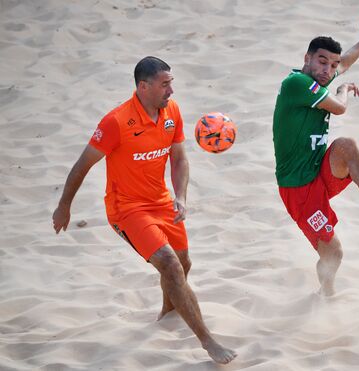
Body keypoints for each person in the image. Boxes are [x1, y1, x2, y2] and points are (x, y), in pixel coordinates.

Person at [52, 56, 237, 364]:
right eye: (165, 84)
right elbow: (82, 165)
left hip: (162, 202)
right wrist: (63, 207)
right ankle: (208, 341)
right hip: (126, 209)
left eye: (171, 83)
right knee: (170, 264)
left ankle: (167, 312)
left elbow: (178, 158)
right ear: (143, 86)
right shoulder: (116, 122)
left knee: (183, 263)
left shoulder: (171, 112)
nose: (171, 91)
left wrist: (181, 197)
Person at [272, 11, 359, 296]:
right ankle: (325, 292)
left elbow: (348, 59)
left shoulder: (319, 78)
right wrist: (342, 90)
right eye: (322, 61)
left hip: (320, 171)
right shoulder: (298, 84)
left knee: (347, 146)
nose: (328, 69)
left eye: (332, 65)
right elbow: (340, 107)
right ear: (307, 58)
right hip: (299, 187)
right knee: (334, 255)